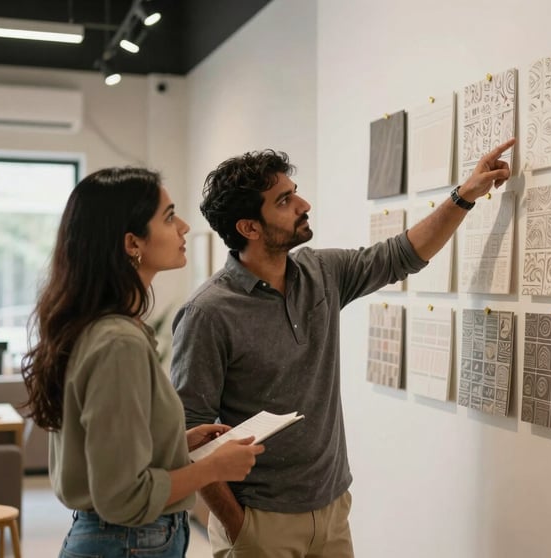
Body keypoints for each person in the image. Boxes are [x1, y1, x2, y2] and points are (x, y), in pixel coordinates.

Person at [170, 139, 515, 558]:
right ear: (249, 227)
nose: (303, 204)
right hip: (260, 522)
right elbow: (190, 434)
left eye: (294, 192)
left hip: (332, 512)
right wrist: (239, 526)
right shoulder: (207, 313)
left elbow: (401, 254)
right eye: (284, 200)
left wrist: (464, 196)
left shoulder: (321, 271)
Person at [20, 167, 265, 558]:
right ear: (133, 242)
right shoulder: (118, 343)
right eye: (169, 216)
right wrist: (214, 469)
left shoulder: (101, 328)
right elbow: (122, 496)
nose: (184, 226)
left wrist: (175, 445)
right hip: (128, 541)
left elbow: (102, 456)